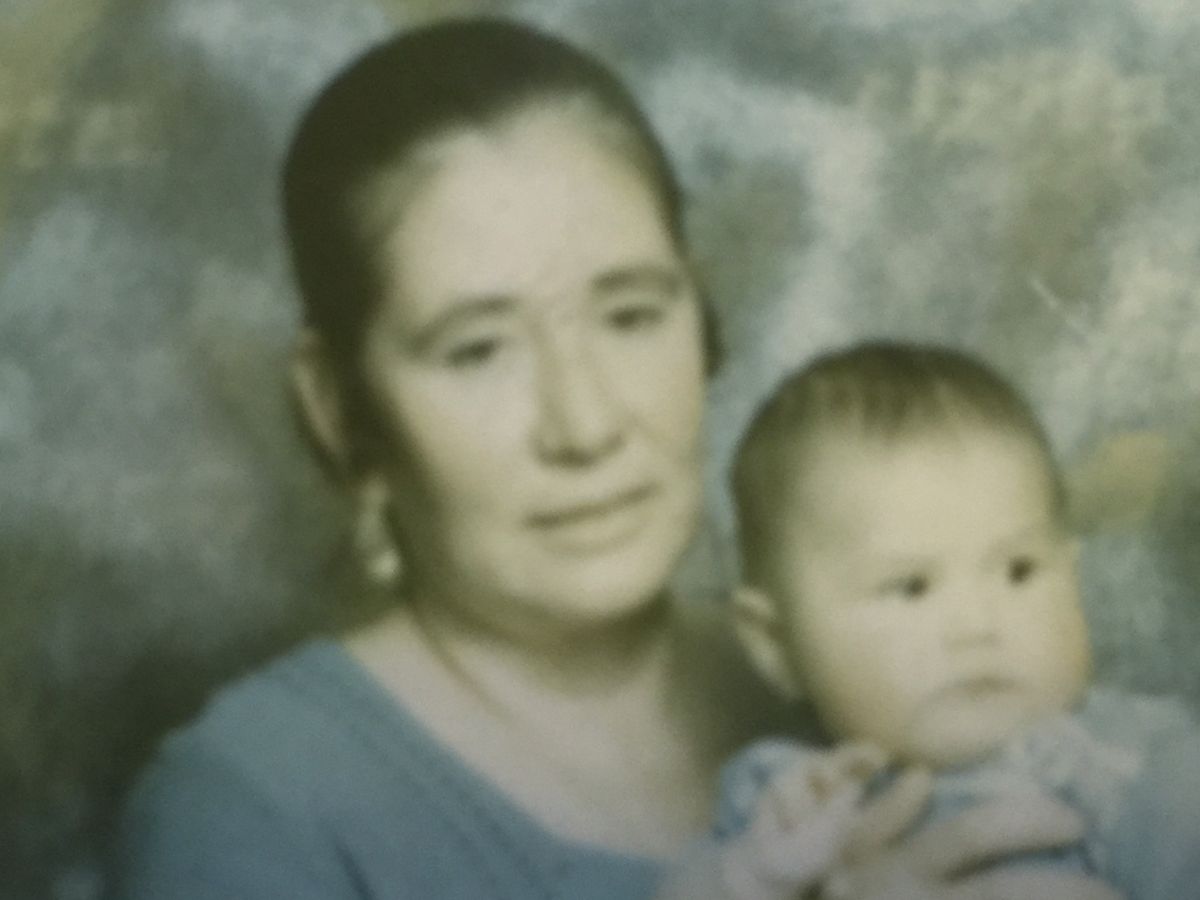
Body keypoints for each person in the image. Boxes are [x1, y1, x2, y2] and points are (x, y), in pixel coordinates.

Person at [105, 20, 1122, 900]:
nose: (585, 425)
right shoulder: (249, 803)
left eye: (632, 315)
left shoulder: (882, 661)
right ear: (338, 409)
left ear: (699, 311)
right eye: (477, 350)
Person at [692, 340, 1200, 900]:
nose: (977, 626)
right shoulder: (777, 807)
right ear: (775, 645)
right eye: (912, 587)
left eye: (1019, 571)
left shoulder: (1144, 766)